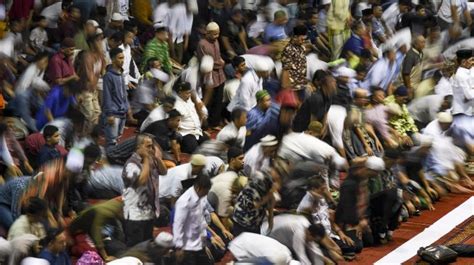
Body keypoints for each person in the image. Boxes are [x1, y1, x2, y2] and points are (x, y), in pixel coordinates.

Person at [122, 134, 167, 247]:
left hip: (149, 211)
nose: (151, 149)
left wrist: (157, 157)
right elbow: (141, 181)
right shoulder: (131, 164)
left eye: (152, 147)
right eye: (148, 146)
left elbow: (164, 171)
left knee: (147, 244)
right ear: (138, 147)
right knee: (135, 246)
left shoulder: (152, 159)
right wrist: (146, 159)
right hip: (135, 214)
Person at [173, 174, 213, 265]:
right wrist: (179, 247)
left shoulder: (200, 198)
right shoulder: (184, 202)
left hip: (199, 243)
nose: (206, 194)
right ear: (199, 188)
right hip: (187, 247)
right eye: (205, 191)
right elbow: (178, 225)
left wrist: (204, 241)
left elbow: (201, 219)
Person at [197, 22, 226, 128]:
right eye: (214, 34)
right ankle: (205, 125)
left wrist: (221, 61)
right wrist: (220, 63)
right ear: (207, 33)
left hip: (220, 75)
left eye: (217, 34)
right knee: (209, 101)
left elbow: (218, 56)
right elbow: (205, 62)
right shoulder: (202, 44)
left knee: (218, 101)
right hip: (209, 76)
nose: (216, 36)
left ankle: (214, 123)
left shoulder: (217, 41)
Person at [102, 47, 129, 147]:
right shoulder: (108, 76)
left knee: (117, 138)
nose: (122, 60)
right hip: (113, 113)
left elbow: (123, 94)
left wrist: (127, 107)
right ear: (113, 59)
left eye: (123, 58)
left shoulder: (121, 74)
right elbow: (107, 96)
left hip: (122, 112)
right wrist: (109, 114)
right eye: (120, 58)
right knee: (112, 141)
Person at [174, 82, 208, 154]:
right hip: (186, 133)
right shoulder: (176, 105)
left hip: (197, 131)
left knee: (209, 146)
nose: (189, 95)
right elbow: (174, 125)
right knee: (195, 151)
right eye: (187, 93)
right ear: (180, 92)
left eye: (189, 92)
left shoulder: (189, 99)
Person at [281, 25, 309, 100]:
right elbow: (285, 69)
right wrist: (285, 88)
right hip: (292, 87)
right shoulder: (288, 49)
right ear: (295, 37)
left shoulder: (302, 47)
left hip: (302, 84)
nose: (303, 41)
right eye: (301, 39)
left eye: (304, 39)